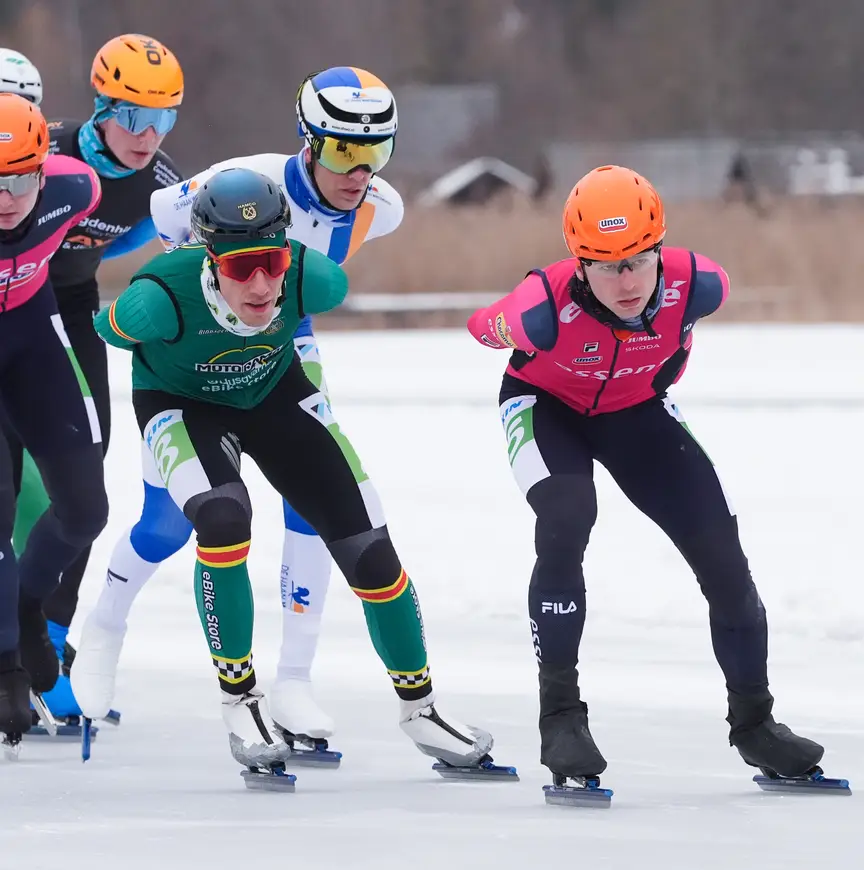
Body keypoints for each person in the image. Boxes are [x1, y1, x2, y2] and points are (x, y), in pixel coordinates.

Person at [71, 167, 498, 778]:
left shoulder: (313, 278)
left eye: (271, 259)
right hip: (181, 405)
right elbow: (105, 329)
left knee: (370, 548)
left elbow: (321, 257)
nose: (262, 282)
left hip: (272, 398)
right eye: (241, 267)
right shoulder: (156, 300)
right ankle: (240, 699)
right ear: (207, 258)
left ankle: (421, 708)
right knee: (222, 519)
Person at [73, 67, 402, 748]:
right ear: (308, 141)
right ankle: (105, 624)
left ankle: (295, 680)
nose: (360, 170)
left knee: (316, 500)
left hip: (288, 347)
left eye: (378, 152)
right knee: (170, 520)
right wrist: (193, 317)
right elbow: (167, 218)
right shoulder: (248, 178)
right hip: (196, 352)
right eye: (344, 150)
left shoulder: (384, 205)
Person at [466, 164, 825, 786]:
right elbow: (480, 329)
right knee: (568, 515)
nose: (626, 280)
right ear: (579, 263)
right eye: (606, 265)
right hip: (545, 409)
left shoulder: (702, 285)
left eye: (637, 260)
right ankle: (561, 718)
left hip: (636, 411)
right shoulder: (543, 307)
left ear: (659, 248)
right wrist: (507, 323)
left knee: (720, 545)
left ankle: (756, 724)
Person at [0, 34, 183, 722]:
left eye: (164, 117)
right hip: (25, 297)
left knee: (87, 470)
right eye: (134, 114)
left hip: (63, 306)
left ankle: (51, 629)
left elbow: (177, 249)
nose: (148, 133)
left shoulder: (156, 180)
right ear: (101, 104)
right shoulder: (52, 149)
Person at [0, 94, 107, 744]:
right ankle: (4, 661)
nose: (8, 196)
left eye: (20, 178)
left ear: (45, 169)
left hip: (32, 342)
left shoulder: (78, 189)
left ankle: (29, 605)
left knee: (85, 510)